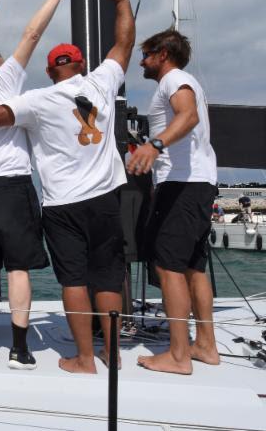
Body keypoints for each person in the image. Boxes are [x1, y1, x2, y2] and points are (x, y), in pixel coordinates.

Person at [0, 0, 135, 374]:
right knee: (109, 279)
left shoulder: (36, 100)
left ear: (49, 71)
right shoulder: (102, 81)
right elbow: (124, 43)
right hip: (106, 197)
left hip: (61, 203)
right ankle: (111, 358)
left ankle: (83, 359)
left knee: (74, 281)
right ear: (80, 64)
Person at [0, 0, 67, 370]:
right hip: (12, 187)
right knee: (19, 267)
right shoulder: (2, 83)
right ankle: (21, 349)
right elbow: (32, 34)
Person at [127, 29, 219, 374]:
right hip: (197, 183)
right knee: (193, 267)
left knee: (168, 267)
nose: (142, 61)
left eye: (147, 54)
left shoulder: (174, 80)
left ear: (163, 54)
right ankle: (206, 345)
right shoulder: (185, 80)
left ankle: (179, 355)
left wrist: (155, 145)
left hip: (182, 185)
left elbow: (188, 115)